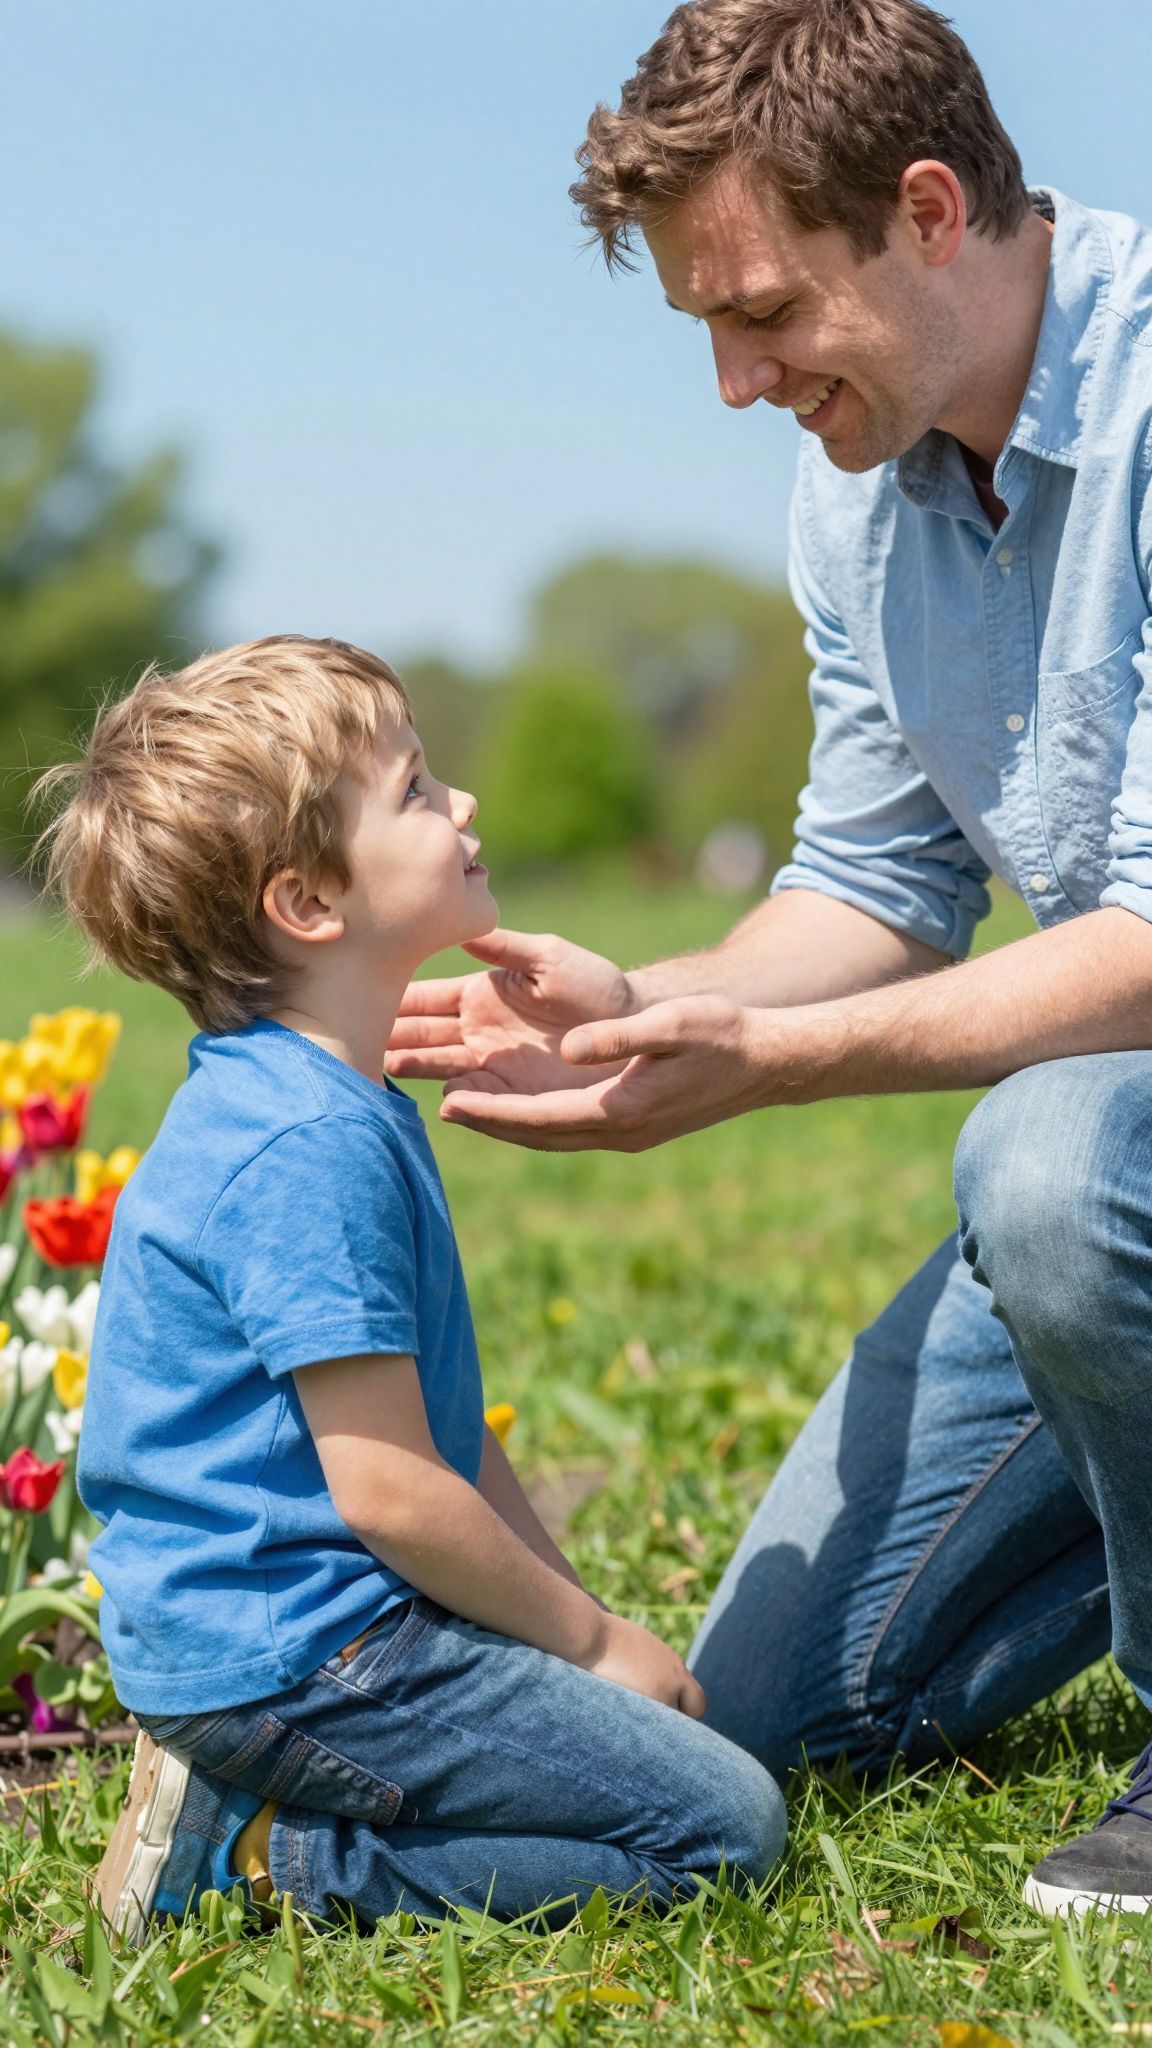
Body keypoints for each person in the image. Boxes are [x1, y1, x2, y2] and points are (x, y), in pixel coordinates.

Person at [386, 0, 1152, 1918]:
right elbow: (877, 883)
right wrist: (647, 1005)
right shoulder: (861, 481)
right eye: (703, 330)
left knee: (1050, 1165)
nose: (736, 381)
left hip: (1110, 1154)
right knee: (763, 1712)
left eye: (766, 313)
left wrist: (780, 1065)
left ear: (925, 210)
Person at [34, 635, 784, 1945]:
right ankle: (267, 1860)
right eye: (420, 792)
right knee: (721, 1826)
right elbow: (389, 1490)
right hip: (301, 1661)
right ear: (310, 904)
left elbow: (434, 1444)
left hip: (287, 1635)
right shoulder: (306, 1147)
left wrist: (582, 1635)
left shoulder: (325, 1099)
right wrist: (599, 1649)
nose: (466, 806)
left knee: (671, 1766)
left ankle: (260, 1806)